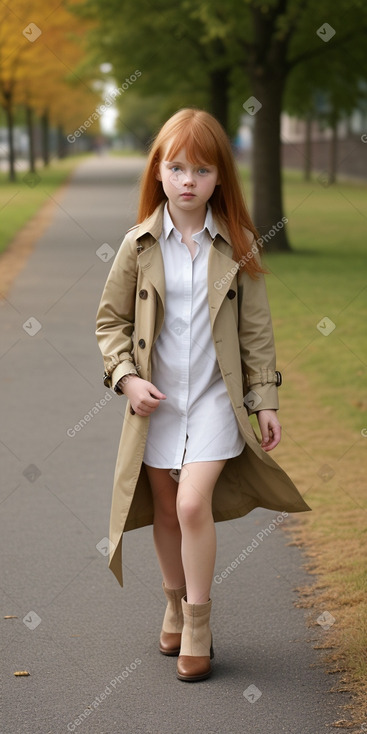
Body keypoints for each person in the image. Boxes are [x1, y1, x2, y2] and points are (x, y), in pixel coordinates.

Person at [96, 108, 311, 683]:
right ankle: (172, 602)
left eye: (203, 169)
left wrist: (265, 400)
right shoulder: (138, 245)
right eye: (177, 167)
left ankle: (197, 621)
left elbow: (256, 332)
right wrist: (126, 378)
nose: (189, 180)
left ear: (220, 178)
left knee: (192, 504)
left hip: (218, 400)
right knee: (166, 508)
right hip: (158, 403)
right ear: (159, 173)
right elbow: (110, 323)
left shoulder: (237, 244)